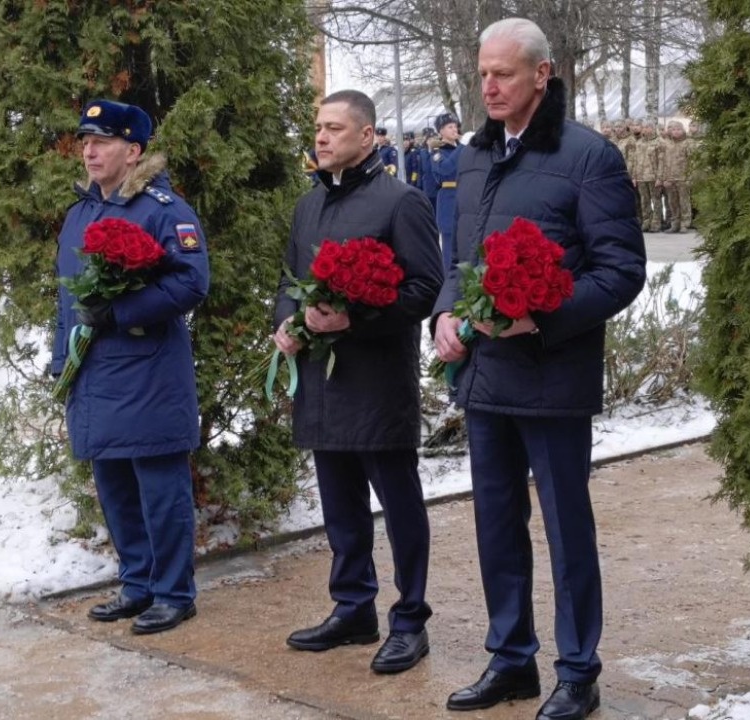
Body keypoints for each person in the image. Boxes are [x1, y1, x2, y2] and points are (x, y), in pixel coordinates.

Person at [432, 18, 646, 720]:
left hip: (552, 376)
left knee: (564, 524)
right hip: (486, 377)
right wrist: (442, 312)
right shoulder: (471, 156)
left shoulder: (589, 157)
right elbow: (460, 256)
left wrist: (541, 318)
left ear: (541, 75)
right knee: (496, 521)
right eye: (483, 72)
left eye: (504, 73)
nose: (489, 85)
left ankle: (578, 670)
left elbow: (620, 271)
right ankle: (511, 659)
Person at [273, 89, 443, 675]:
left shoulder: (403, 202)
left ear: (367, 136)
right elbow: (289, 279)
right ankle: (353, 606)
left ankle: (410, 619)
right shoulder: (308, 205)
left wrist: (359, 317)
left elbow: (425, 288)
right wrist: (287, 323)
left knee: (398, 506)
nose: (321, 138)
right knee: (340, 502)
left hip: (376, 381)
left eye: (335, 129)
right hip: (322, 381)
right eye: (318, 127)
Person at [52, 99, 210, 635]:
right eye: (85, 142)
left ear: (134, 150)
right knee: (114, 483)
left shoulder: (163, 208)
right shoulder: (80, 214)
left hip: (147, 370)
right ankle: (138, 583)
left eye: (102, 141)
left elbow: (191, 282)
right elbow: (65, 302)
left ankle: (173, 592)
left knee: (159, 488)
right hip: (94, 373)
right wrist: (61, 366)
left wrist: (119, 313)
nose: (89, 151)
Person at [430, 112, 463, 270]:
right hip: (449, 199)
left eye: (455, 126)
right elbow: (445, 169)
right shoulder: (437, 151)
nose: (454, 129)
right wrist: (462, 147)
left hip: (464, 197)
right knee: (450, 248)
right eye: (450, 127)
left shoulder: (462, 149)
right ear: (441, 131)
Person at [663, 120, 692, 233]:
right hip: (670, 178)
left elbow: (692, 161)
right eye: (673, 129)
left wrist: (690, 177)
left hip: (682, 177)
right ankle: (675, 223)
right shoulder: (667, 144)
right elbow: (663, 162)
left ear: (683, 130)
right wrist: (664, 178)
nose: (676, 132)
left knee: (684, 202)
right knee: (672, 202)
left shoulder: (687, 143)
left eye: (678, 129)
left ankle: (685, 224)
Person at [417, 126, 440, 212]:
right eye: (429, 140)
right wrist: (419, 185)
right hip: (427, 185)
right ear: (426, 141)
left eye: (433, 139)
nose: (431, 142)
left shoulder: (438, 151)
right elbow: (420, 170)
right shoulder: (422, 152)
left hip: (437, 185)